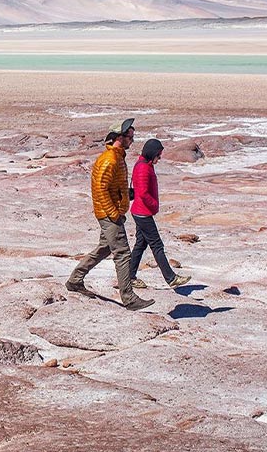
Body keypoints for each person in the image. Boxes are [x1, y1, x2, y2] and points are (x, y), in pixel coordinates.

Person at [65, 118, 155, 311]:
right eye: (130, 136)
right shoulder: (109, 160)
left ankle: (75, 280)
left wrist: (125, 196)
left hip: (112, 211)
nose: (132, 140)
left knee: (104, 248)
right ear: (119, 137)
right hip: (108, 214)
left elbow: (112, 187)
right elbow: (100, 189)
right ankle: (129, 298)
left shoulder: (117, 157)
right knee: (122, 253)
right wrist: (113, 213)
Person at [130, 139, 191, 289]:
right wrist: (154, 206)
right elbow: (143, 193)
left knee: (140, 245)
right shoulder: (143, 168)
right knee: (157, 245)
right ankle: (171, 278)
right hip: (143, 213)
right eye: (158, 155)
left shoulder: (145, 164)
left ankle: (129, 277)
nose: (160, 158)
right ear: (152, 154)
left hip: (140, 211)